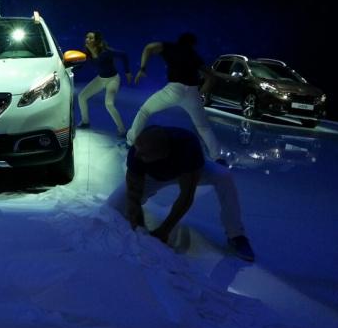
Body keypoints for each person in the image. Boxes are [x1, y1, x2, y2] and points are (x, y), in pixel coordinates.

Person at [107, 125, 255, 261]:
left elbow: (186, 196)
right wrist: (138, 226)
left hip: (187, 172)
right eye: (138, 150)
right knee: (112, 207)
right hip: (152, 177)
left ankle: (236, 235)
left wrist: (164, 230)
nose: (137, 155)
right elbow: (133, 192)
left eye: (144, 154)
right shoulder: (137, 153)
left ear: (162, 154)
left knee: (224, 176)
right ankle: (141, 201)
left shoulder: (188, 146)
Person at [127, 33, 223, 163]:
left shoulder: (171, 47)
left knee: (144, 111)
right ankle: (217, 157)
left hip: (174, 89)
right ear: (192, 44)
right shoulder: (194, 56)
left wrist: (142, 68)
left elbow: (149, 47)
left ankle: (130, 142)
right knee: (203, 127)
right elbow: (211, 78)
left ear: (180, 41)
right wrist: (198, 94)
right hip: (192, 91)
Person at [77, 31, 131, 136]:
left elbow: (123, 55)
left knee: (109, 104)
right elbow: (81, 64)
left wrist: (127, 72)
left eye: (91, 38)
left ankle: (122, 130)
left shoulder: (106, 52)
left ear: (96, 41)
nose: (87, 39)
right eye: (87, 37)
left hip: (113, 80)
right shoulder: (88, 53)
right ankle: (85, 122)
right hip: (100, 79)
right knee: (82, 97)